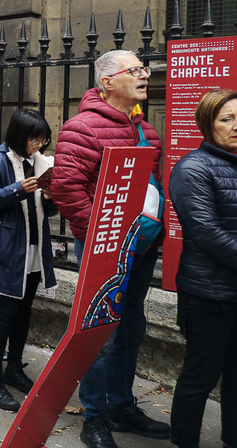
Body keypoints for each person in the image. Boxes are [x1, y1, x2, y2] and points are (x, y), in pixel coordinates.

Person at [54, 50, 169, 448]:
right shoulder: (82, 128)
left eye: (144, 68)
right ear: (107, 82)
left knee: (131, 328)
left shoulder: (145, 128)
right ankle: (95, 417)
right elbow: (66, 189)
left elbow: (153, 186)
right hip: (105, 248)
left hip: (142, 246)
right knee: (99, 333)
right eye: (134, 70)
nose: (144, 75)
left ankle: (122, 407)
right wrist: (103, 238)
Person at [0, 109, 57, 412]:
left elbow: (48, 210)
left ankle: (14, 367)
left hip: (33, 247)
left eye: (43, 140)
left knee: (24, 311)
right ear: (20, 136)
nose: (39, 146)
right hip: (9, 250)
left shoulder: (39, 161)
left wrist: (49, 198)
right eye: (35, 140)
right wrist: (19, 189)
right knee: (6, 312)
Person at [168, 89, 237, 448]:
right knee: (200, 378)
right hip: (208, 294)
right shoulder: (192, 167)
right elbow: (206, 232)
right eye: (227, 119)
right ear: (208, 125)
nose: (236, 126)